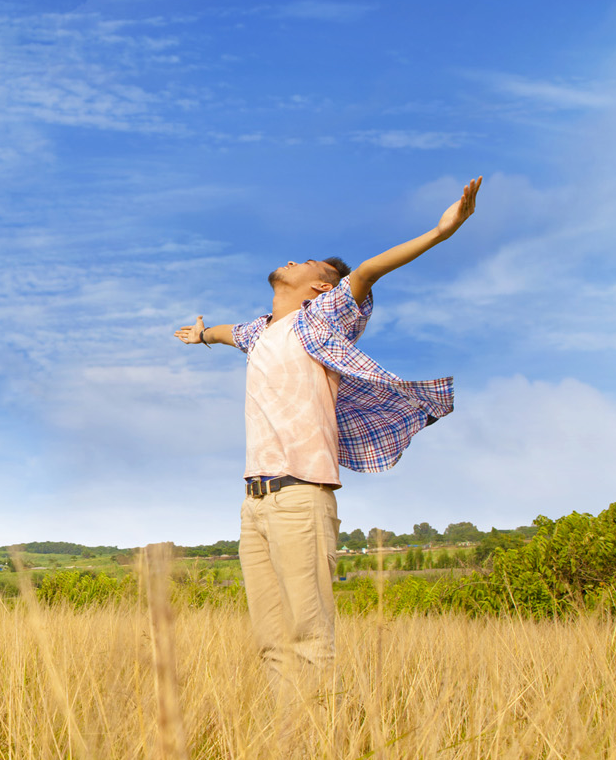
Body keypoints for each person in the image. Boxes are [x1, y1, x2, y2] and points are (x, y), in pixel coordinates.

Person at [174, 177, 482, 709]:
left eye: (308, 262)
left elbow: (366, 272)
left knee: (309, 639)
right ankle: (285, 751)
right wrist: (202, 334)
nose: (293, 260)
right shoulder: (262, 331)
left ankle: (322, 752)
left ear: (322, 288)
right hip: (254, 503)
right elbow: (231, 332)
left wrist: (439, 232)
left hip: (300, 496)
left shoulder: (322, 318)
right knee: (271, 644)